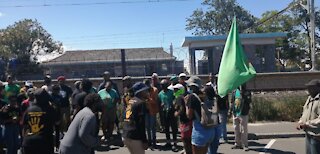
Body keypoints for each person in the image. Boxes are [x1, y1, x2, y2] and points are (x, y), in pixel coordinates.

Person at [186, 76, 215, 154]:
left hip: (199, 129)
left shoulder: (192, 97)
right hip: (210, 128)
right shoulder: (205, 95)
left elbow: (189, 116)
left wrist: (186, 105)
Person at [22, 88, 56, 154]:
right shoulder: (50, 109)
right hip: (45, 143)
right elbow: (57, 122)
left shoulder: (29, 109)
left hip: (29, 143)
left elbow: (24, 127)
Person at [122, 82, 149, 154]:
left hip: (126, 134)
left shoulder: (131, 101)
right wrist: (144, 140)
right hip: (135, 136)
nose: (147, 92)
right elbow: (141, 123)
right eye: (145, 90)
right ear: (140, 92)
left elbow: (124, 116)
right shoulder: (141, 103)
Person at [297, 79, 320, 154]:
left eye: (311, 87)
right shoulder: (310, 98)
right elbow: (305, 112)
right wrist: (300, 122)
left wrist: (306, 123)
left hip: (317, 135)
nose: (308, 89)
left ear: (318, 88)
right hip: (308, 133)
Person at [158, 79, 178, 151]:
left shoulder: (171, 92)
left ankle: (175, 143)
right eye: (162, 85)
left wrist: (173, 104)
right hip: (164, 112)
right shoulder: (160, 94)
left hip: (171, 112)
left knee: (174, 128)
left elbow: (176, 99)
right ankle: (168, 142)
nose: (163, 87)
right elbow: (159, 103)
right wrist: (161, 105)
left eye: (164, 85)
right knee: (166, 128)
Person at [230, 84, 251, 151]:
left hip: (243, 113)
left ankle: (245, 145)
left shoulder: (247, 92)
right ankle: (237, 143)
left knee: (244, 129)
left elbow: (249, 101)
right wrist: (231, 110)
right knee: (236, 128)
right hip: (236, 113)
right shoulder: (234, 92)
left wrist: (243, 95)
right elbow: (232, 102)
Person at [173, 84, 192, 154]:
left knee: (185, 137)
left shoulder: (179, 98)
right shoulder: (185, 96)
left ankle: (187, 151)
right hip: (188, 120)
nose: (174, 91)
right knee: (188, 137)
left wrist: (176, 113)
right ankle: (187, 150)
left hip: (184, 121)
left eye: (176, 90)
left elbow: (181, 108)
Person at [143, 79, 159, 149]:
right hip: (146, 111)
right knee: (147, 127)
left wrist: (148, 98)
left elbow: (155, 101)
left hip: (152, 110)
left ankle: (154, 141)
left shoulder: (154, 90)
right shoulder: (143, 90)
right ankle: (149, 141)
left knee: (152, 127)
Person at [51, 85, 63, 151]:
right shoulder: (49, 97)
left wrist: (60, 118)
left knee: (57, 132)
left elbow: (60, 108)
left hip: (57, 116)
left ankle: (57, 146)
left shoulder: (59, 97)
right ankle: (51, 145)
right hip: (51, 117)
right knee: (51, 131)